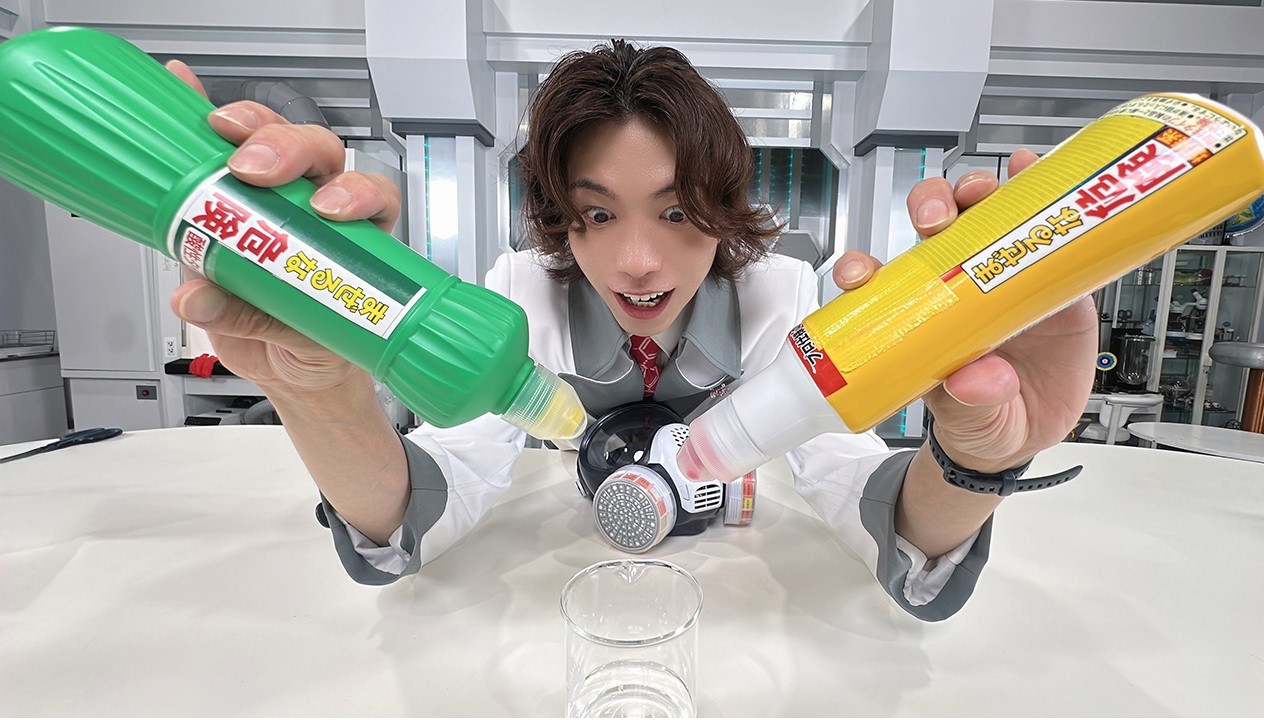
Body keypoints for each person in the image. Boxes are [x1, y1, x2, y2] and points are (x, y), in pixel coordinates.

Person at [165, 40, 1096, 621]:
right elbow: (423, 508)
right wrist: (320, 391)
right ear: (558, 222)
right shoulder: (521, 296)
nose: (639, 263)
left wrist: (975, 460)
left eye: (678, 212)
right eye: (598, 214)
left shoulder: (777, 296)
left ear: (724, 214)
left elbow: (861, 496)